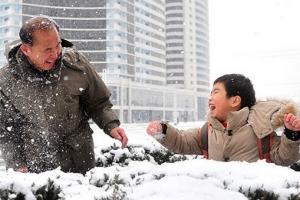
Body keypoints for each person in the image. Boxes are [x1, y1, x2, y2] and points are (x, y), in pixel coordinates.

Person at [0, 16, 128, 174]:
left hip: (79, 161)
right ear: (26, 50)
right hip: (37, 168)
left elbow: (98, 102)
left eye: (58, 45)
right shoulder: (6, 81)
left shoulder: (76, 65)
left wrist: (111, 125)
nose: (55, 53)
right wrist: (16, 162)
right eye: (47, 49)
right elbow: (5, 129)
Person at [147, 74, 300, 166]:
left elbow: (284, 158)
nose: (210, 98)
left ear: (234, 101)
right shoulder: (207, 131)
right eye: (210, 93)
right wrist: (163, 131)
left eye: (216, 92)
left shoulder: (260, 130)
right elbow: (181, 141)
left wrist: (291, 135)